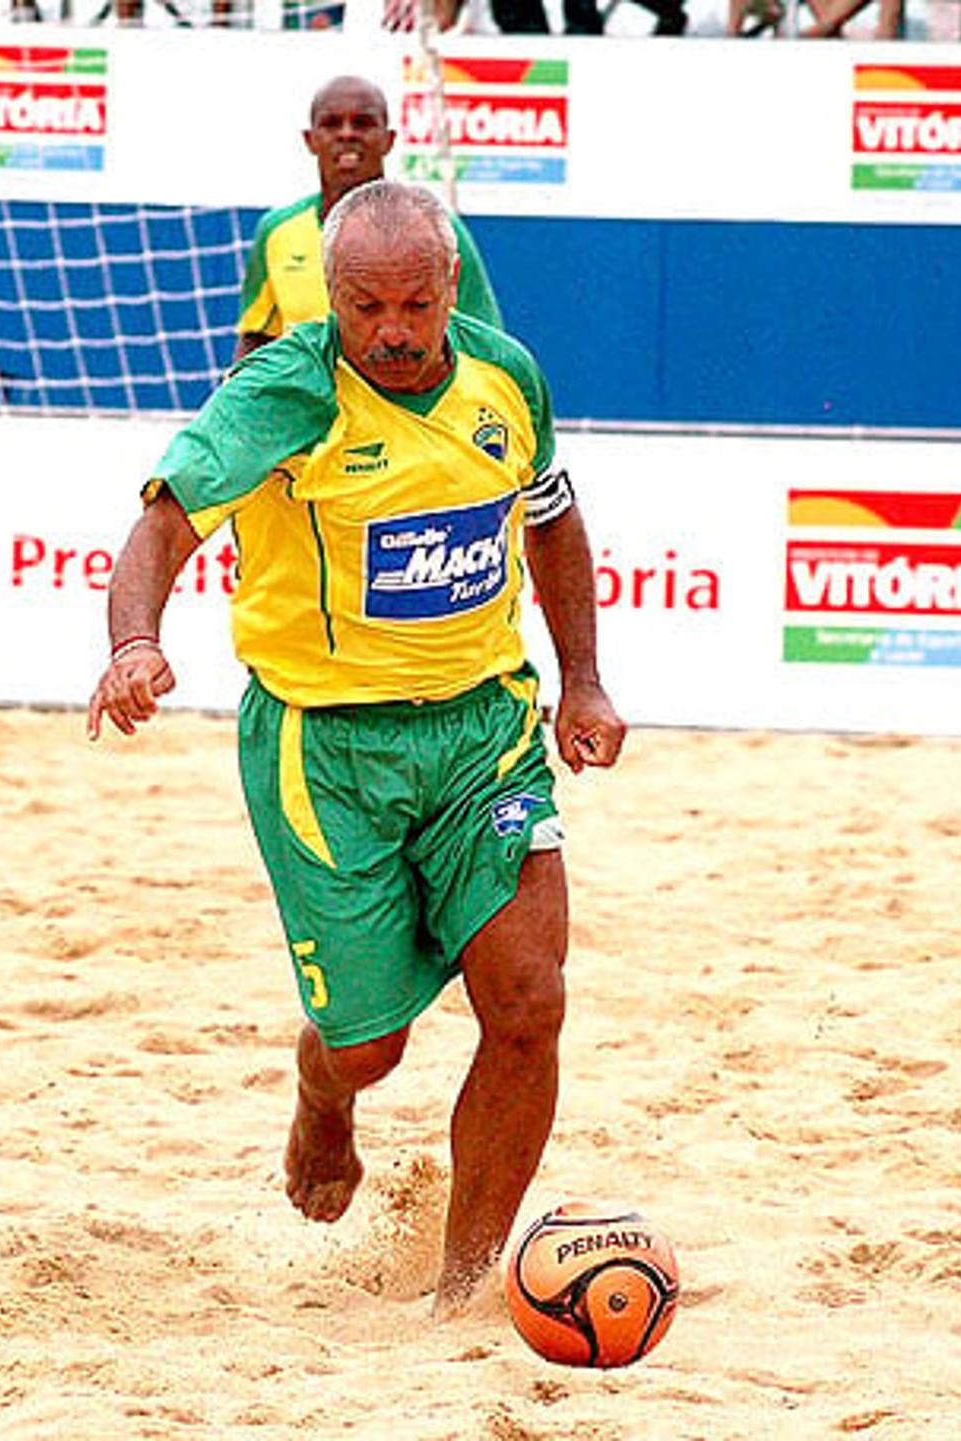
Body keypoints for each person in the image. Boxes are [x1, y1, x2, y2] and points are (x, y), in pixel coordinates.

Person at [88, 180, 626, 1316]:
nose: (391, 331)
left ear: (449, 291)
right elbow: (164, 523)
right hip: (323, 749)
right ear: (328, 296)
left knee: (528, 1002)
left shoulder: (507, 374)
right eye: (365, 306)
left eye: (415, 306)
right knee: (369, 1045)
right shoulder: (283, 391)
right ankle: (322, 1098)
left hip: (485, 731)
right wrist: (134, 640)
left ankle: (463, 1288)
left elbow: (553, 515)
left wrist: (581, 676)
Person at [235, 75, 501, 366]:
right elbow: (258, 336)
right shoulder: (277, 230)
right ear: (310, 140)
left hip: (404, 407)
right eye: (331, 123)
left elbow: (484, 338)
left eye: (362, 123)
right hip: (313, 407)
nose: (347, 134)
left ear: (388, 140)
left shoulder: (434, 228)